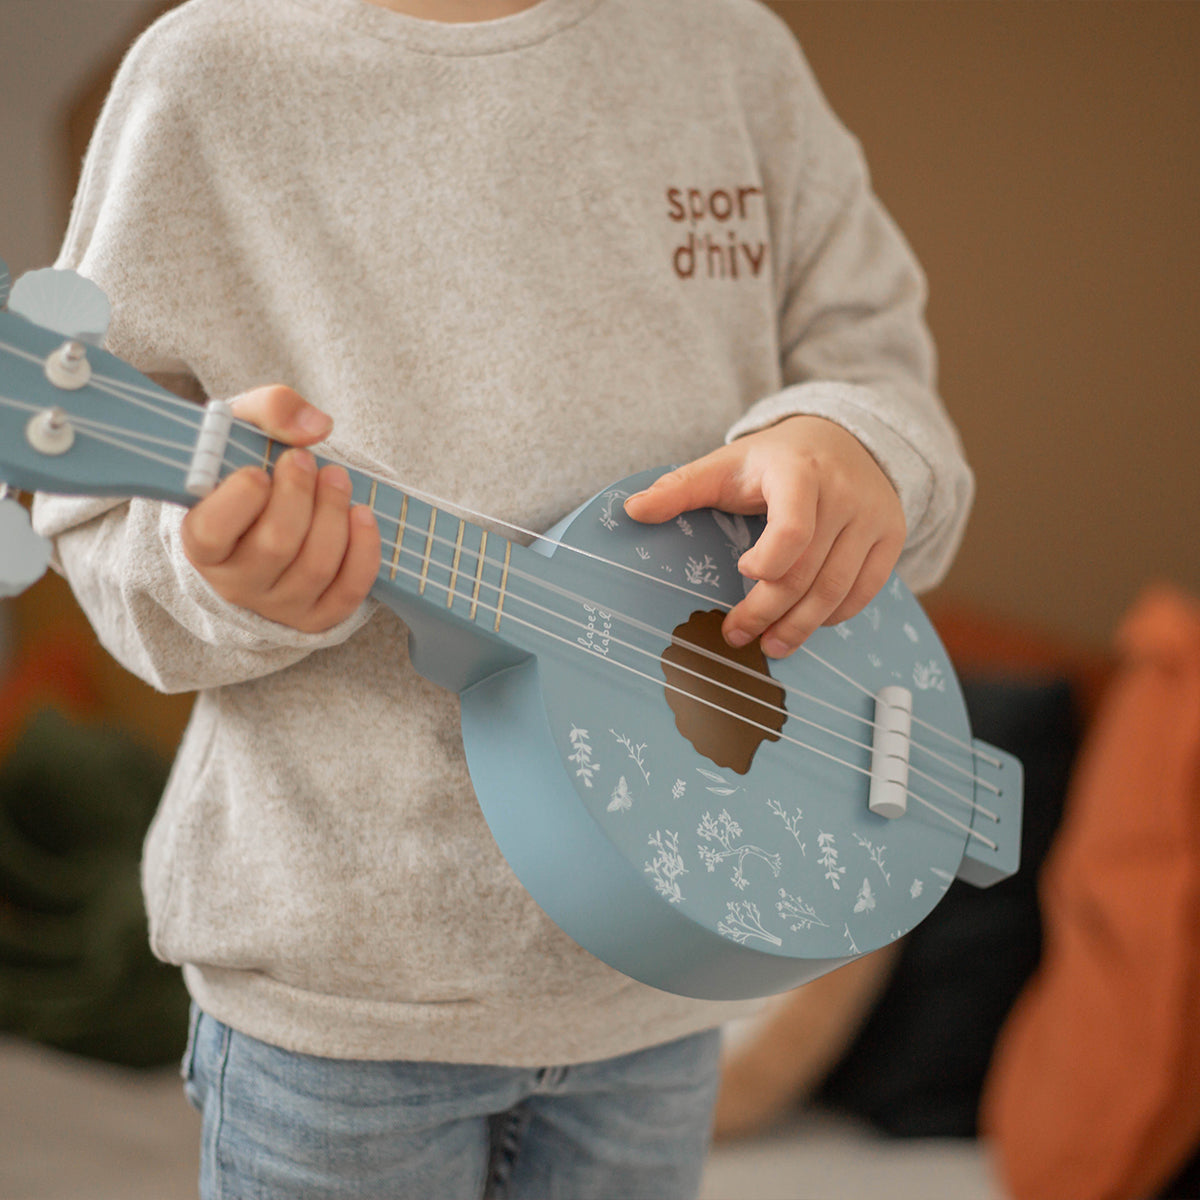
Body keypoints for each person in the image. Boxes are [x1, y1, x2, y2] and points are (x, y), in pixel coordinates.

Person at [33, 0, 974, 1196]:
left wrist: (851, 441)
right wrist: (219, 576)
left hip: (664, 980)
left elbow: (879, 356)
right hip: (344, 1009)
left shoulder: (727, 50)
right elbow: (100, 531)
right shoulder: (209, 75)